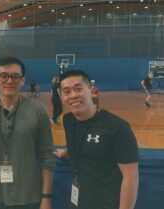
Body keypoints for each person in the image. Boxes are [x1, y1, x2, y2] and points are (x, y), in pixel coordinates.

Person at [0, 57, 55, 209]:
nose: (9, 81)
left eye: (15, 76)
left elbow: (46, 156)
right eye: (3, 76)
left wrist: (46, 198)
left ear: (23, 80)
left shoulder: (38, 110)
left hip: (29, 196)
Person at [54, 70, 139, 209]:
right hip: (77, 202)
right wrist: (67, 153)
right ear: (61, 96)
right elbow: (82, 145)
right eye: (67, 91)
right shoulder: (68, 120)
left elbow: (131, 176)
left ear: (92, 91)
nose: (73, 95)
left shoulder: (117, 126)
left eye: (78, 89)